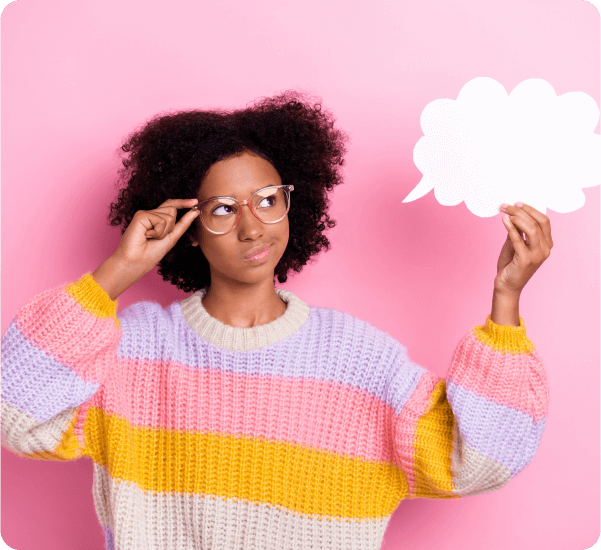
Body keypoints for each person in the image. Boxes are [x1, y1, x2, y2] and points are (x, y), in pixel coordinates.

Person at [0, 91, 552, 550]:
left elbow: (482, 459)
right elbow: (14, 412)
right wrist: (116, 272)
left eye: (268, 199)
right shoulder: (132, 349)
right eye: (222, 209)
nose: (252, 226)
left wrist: (506, 297)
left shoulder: (359, 361)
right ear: (187, 228)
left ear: (295, 205)